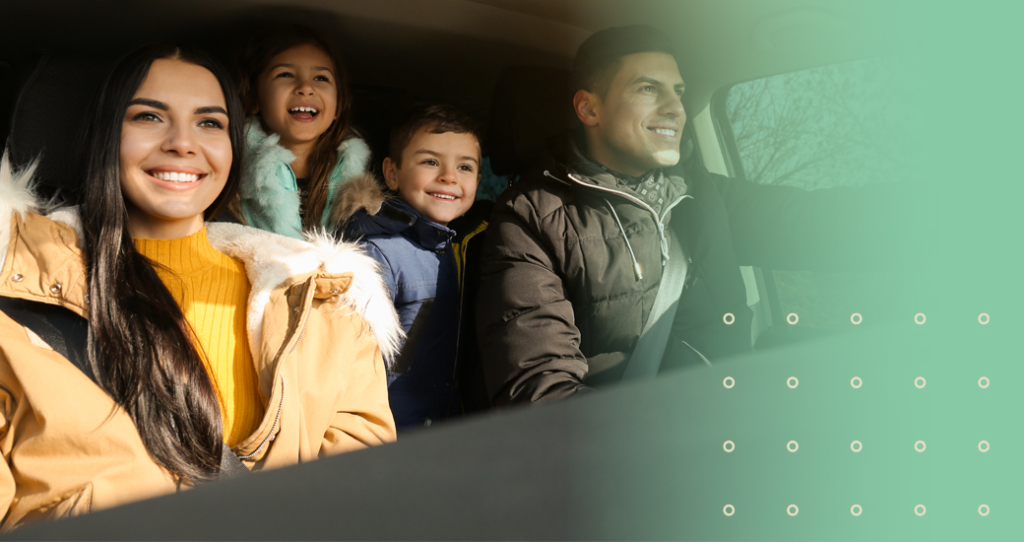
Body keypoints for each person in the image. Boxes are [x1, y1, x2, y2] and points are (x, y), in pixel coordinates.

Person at [0, 44, 399, 529]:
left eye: (210, 123)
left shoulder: (326, 308)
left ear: (234, 147)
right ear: (107, 135)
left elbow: (361, 509)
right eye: (149, 117)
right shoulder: (14, 293)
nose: (182, 143)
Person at [476, 25, 893, 405]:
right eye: (648, 89)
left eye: (678, 91)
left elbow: (821, 223)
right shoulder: (529, 219)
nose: (676, 106)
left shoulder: (704, 194)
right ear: (590, 110)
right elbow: (541, 392)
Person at [337, 105, 491, 428]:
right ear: (392, 173)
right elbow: (349, 367)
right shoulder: (377, 251)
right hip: (391, 430)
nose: (449, 176)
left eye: (465, 167)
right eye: (430, 162)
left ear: (479, 178)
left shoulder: (460, 244)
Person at [230, 25, 371, 239]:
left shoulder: (363, 182)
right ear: (253, 98)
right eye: (285, 74)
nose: (306, 87)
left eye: (321, 78)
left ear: (338, 105)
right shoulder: (229, 174)